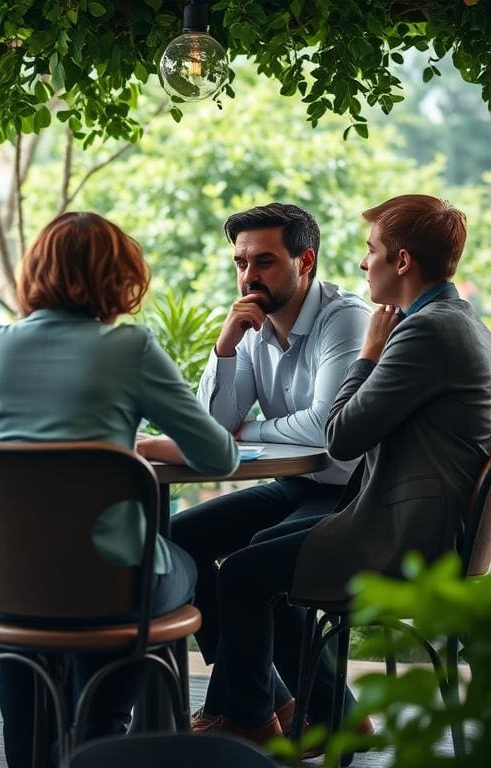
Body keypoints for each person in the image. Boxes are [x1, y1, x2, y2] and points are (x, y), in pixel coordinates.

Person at [0, 211, 240, 768]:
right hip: (107, 587)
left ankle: (34, 748)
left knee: (35, 607)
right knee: (179, 564)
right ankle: (102, 737)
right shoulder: (128, 348)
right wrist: (140, 447)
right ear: (118, 278)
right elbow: (218, 454)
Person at [194, 194, 491, 741]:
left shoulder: (422, 332)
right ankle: (303, 716)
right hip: (406, 516)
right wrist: (227, 349)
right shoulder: (448, 321)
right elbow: (217, 424)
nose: (361, 263)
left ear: (400, 261)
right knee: (241, 554)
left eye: (370, 250)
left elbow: (341, 435)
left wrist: (368, 354)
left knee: (243, 571)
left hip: (401, 531)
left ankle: (258, 722)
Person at [146, 203, 370, 734]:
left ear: (305, 261)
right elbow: (214, 427)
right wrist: (225, 348)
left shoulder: (346, 319)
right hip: (295, 485)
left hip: (351, 493)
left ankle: (245, 716)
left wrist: (250, 430)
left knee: (254, 562)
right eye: (241, 262)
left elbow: (325, 431)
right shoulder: (251, 323)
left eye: (264, 261)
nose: (249, 276)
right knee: (179, 540)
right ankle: (302, 705)